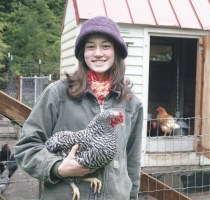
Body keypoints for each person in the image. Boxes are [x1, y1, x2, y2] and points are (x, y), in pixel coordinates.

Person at [14, 16, 143, 200]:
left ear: (116, 52)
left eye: (106, 46)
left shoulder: (131, 103)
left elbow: (132, 163)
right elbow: (27, 146)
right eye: (90, 46)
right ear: (83, 52)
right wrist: (56, 167)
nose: (98, 53)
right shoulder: (57, 94)